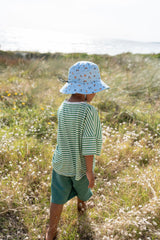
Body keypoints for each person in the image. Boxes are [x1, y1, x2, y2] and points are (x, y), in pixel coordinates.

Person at [46, 61, 109, 240]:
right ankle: (81, 211)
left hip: (60, 163)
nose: (96, 94)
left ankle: (51, 231)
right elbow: (88, 144)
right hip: (80, 167)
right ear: (87, 89)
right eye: (95, 90)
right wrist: (89, 171)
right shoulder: (88, 111)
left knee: (57, 197)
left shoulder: (63, 107)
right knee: (83, 190)